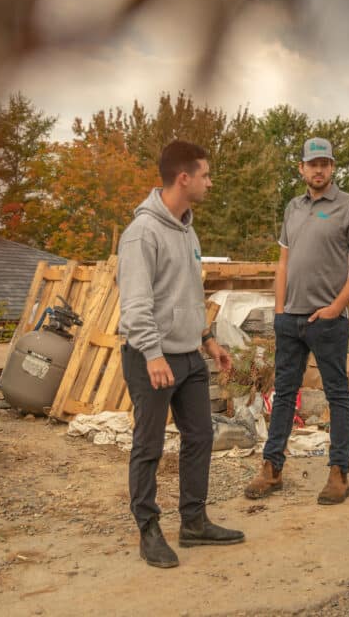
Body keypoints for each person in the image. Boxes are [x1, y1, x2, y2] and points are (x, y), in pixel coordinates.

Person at [118, 140, 245, 569]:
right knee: (149, 445)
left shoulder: (188, 229)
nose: (210, 182)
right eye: (206, 175)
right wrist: (152, 354)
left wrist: (208, 339)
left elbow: (189, 294)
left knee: (201, 436)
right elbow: (135, 305)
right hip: (151, 359)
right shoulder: (142, 233)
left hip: (189, 357)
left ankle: (193, 522)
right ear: (184, 178)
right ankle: (148, 529)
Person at [244, 137, 349, 505]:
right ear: (301, 168)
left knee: (337, 395)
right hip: (290, 320)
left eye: (325, 163)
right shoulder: (293, 208)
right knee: (284, 394)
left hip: (328, 321)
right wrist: (280, 309)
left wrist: (335, 308)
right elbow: (283, 262)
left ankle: (338, 473)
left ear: (332, 168)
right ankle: (272, 469)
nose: (318, 169)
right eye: (312, 164)